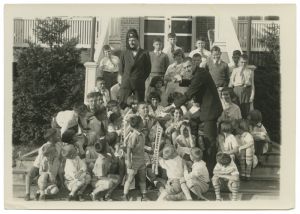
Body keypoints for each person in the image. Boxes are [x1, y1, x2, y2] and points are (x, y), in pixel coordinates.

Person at [173, 57, 223, 176]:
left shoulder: (201, 73)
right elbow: (193, 82)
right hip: (205, 111)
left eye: (189, 66)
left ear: (194, 64)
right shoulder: (198, 74)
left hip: (210, 111)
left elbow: (189, 93)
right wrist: (182, 81)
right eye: (185, 68)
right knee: (203, 140)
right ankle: (203, 167)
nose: (187, 69)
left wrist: (173, 105)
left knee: (210, 142)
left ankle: (210, 173)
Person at [24, 128, 62, 201]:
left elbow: (60, 156)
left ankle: (41, 193)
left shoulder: (58, 145)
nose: (59, 136)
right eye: (57, 135)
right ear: (51, 137)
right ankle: (27, 194)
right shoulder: (45, 146)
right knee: (29, 175)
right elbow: (41, 158)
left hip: (53, 165)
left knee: (56, 183)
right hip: (41, 164)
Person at [119, 28, 151, 107]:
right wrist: (126, 78)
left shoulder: (144, 53)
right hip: (126, 84)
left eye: (133, 40)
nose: (131, 42)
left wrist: (140, 78)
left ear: (137, 40)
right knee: (122, 105)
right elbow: (121, 69)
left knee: (140, 106)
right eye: (129, 40)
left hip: (138, 84)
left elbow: (148, 69)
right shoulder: (124, 53)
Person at [123, 115, 149, 201]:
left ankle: (144, 194)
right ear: (138, 125)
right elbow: (129, 149)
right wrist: (129, 162)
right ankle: (125, 194)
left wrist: (148, 148)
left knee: (142, 178)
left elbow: (140, 146)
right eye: (142, 122)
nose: (143, 123)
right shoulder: (134, 135)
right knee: (130, 178)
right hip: (134, 161)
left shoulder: (142, 134)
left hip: (141, 160)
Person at [229, 54, 255, 119]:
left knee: (246, 111)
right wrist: (236, 84)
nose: (243, 64)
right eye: (242, 62)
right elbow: (231, 82)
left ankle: (244, 126)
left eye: (245, 62)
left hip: (246, 91)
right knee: (236, 109)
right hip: (237, 91)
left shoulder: (250, 71)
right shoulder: (235, 70)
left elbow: (252, 84)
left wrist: (252, 96)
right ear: (239, 61)